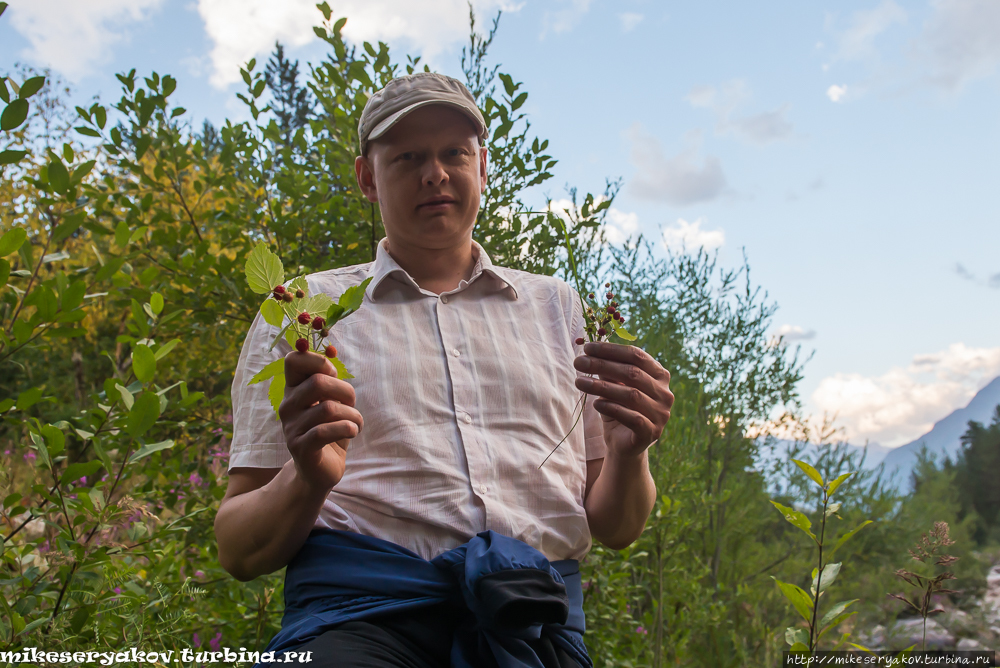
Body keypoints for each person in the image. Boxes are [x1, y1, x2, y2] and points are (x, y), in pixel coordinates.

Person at [214, 72, 674, 668]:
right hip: (359, 626)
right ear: (366, 178)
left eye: (454, 152)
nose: (435, 173)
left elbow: (616, 526)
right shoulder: (302, 312)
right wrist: (307, 478)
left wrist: (631, 451)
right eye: (407, 156)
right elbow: (238, 550)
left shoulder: (556, 306)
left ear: (482, 167)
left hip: (530, 627)